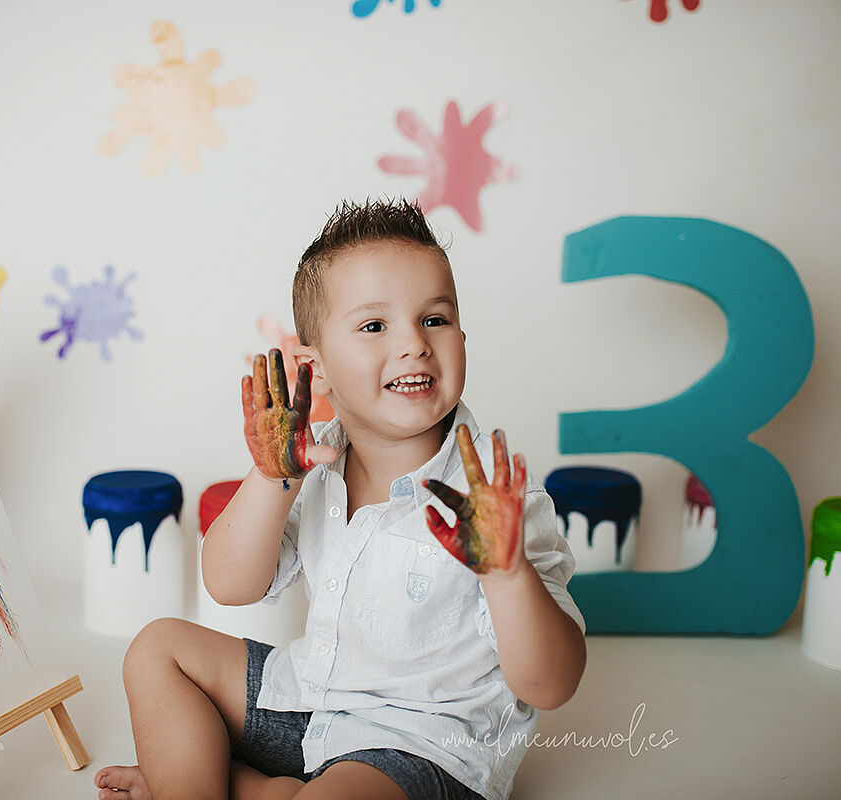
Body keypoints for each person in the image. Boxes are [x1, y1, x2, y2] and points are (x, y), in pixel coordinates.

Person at [95, 198, 586, 800]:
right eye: (375, 326)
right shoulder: (317, 461)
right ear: (316, 368)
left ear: (461, 335)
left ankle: (208, 783)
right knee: (157, 649)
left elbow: (551, 683)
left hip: (424, 747)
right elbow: (231, 584)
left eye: (434, 319)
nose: (414, 344)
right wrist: (272, 474)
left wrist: (506, 573)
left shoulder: (493, 500)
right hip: (313, 700)